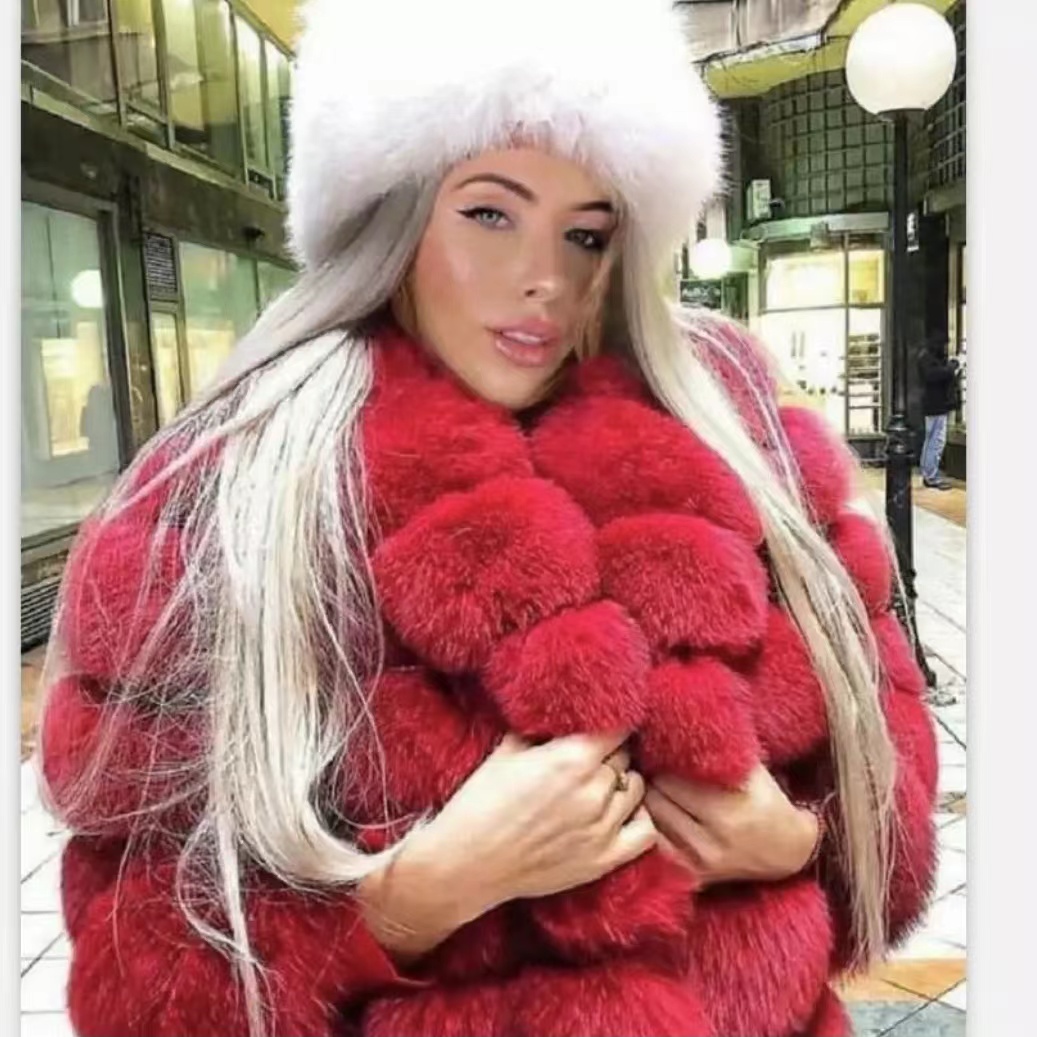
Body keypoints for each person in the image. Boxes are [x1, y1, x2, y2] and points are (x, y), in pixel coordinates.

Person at [36, 2, 938, 1035]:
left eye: (585, 232)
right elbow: (137, 966)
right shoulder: (234, 495)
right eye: (489, 214)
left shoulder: (737, 442)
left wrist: (794, 840)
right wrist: (408, 901)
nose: (543, 278)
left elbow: (891, 775)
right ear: (391, 213)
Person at [917, 336, 964, 490]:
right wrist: (952, 367)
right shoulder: (928, 358)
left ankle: (928, 473)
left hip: (934, 406)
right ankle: (931, 475)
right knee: (936, 441)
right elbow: (934, 376)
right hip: (936, 406)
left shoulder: (926, 356)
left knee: (931, 440)